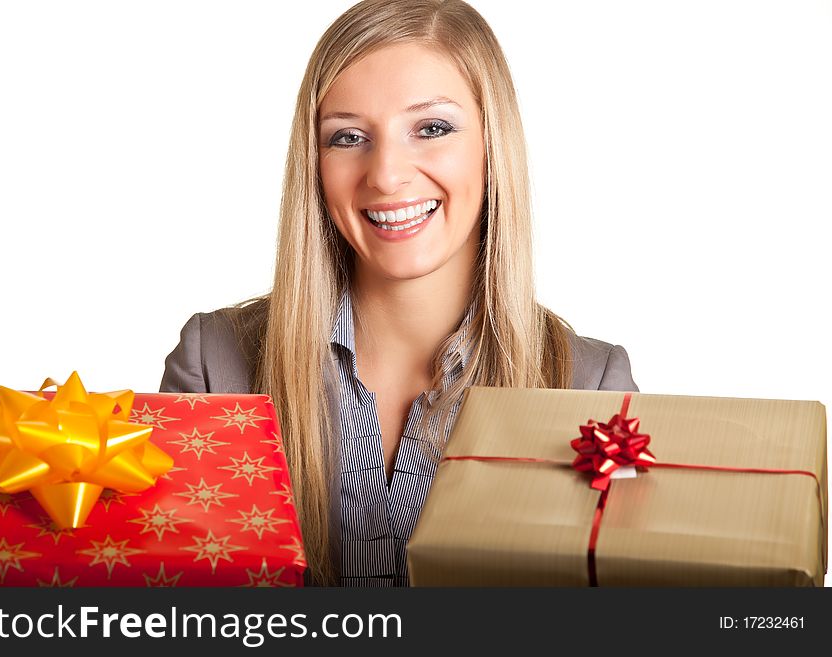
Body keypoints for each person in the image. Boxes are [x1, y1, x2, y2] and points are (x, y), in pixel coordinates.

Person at [160, 0, 638, 587]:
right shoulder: (215, 366)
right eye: (347, 136)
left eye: (432, 128)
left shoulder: (587, 384)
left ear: (492, 149)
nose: (386, 173)